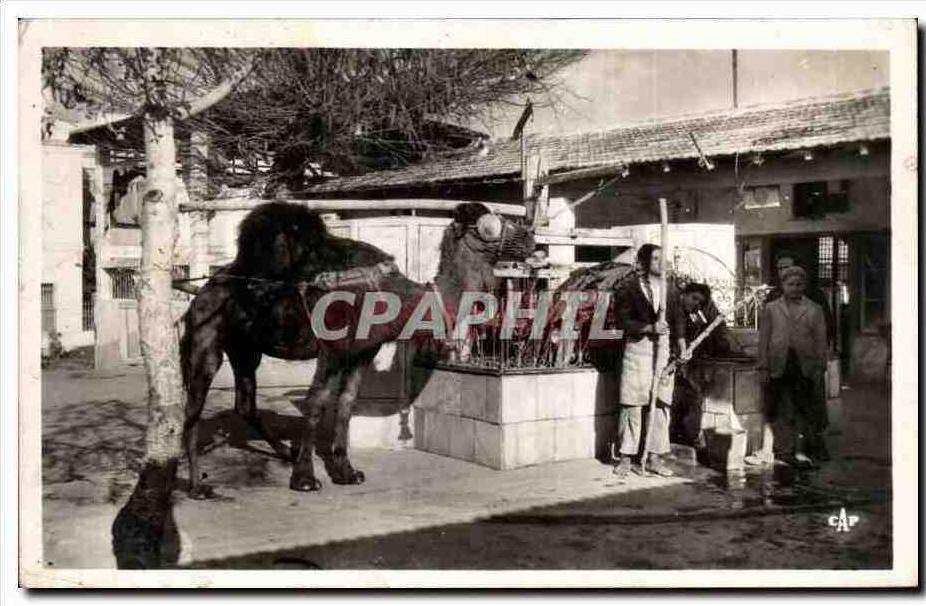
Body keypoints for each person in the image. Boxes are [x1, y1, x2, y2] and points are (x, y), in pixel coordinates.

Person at [612, 244, 687, 478]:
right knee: (632, 404)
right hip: (638, 349)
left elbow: (678, 319)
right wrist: (648, 327)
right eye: (655, 259)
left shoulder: (671, 289)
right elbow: (622, 320)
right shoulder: (628, 288)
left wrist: (681, 343)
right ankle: (626, 457)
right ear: (644, 263)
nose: (661, 263)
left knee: (661, 404)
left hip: (663, 350)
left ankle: (654, 456)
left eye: (662, 258)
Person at [754, 266, 828, 468]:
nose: (795, 288)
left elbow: (821, 341)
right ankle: (783, 450)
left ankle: (801, 450)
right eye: (790, 284)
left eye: (799, 284)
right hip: (779, 364)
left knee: (803, 408)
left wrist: (819, 367)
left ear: (804, 286)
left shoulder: (814, 309)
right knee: (780, 408)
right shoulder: (771, 308)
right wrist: (763, 367)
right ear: (783, 285)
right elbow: (763, 341)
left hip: (804, 365)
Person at [671, 282, 742, 445]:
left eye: (699, 301)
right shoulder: (675, 306)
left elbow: (715, 328)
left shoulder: (698, 311)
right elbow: (680, 331)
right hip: (674, 358)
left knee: (691, 398)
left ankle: (687, 435)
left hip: (687, 360)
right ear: (684, 294)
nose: (696, 303)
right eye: (694, 298)